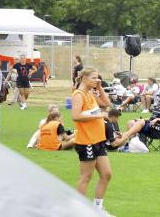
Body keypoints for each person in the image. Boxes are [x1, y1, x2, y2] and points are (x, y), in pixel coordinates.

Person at [72, 67, 113, 214]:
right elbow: (76, 116)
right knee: (86, 177)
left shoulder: (90, 93)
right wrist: (99, 115)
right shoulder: (78, 95)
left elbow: (107, 104)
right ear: (84, 78)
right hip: (86, 141)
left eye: (98, 78)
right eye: (94, 78)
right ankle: (78, 210)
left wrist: (100, 88)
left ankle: (97, 209)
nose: (97, 80)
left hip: (98, 140)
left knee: (106, 174)